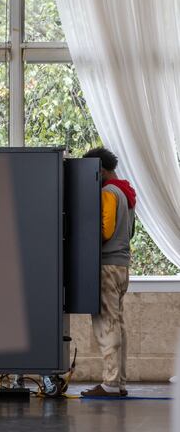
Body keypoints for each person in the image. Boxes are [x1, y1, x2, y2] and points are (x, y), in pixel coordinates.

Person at [80, 147, 136, 398]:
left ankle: (111, 384)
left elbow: (104, 231)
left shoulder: (108, 193)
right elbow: (130, 232)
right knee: (118, 324)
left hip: (107, 266)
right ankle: (119, 382)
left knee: (107, 324)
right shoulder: (126, 192)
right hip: (122, 267)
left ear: (99, 170)